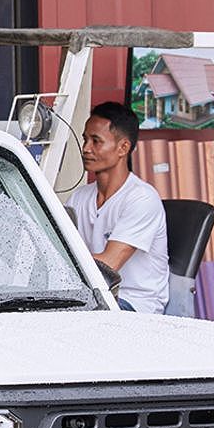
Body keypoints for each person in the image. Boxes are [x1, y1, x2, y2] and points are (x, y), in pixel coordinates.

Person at [69, 100, 169, 314]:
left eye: (96, 141)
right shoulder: (79, 197)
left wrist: (59, 257)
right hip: (93, 298)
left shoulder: (142, 198)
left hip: (135, 303)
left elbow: (107, 267)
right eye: (85, 139)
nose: (86, 148)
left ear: (123, 147)